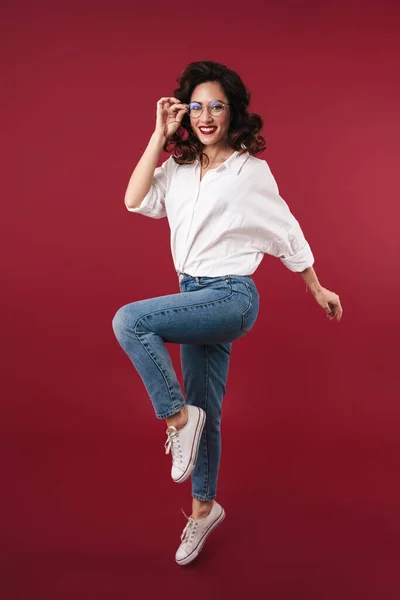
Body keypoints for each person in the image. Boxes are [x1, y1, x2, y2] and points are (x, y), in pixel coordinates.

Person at [112, 60, 343, 566]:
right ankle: (203, 509)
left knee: (130, 320)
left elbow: (286, 230)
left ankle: (176, 420)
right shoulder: (177, 170)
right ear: (185, 114)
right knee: (208, 413)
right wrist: (159, 136)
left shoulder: (249, 171)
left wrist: (315, 285)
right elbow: (133, 199)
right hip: (193, 294)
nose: (206, 116)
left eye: (217, 106)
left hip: (232, 297)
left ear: (233, 113)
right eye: (196, 107)